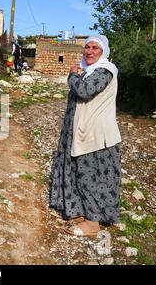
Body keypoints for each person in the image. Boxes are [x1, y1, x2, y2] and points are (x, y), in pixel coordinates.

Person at [50, 35, 122, 237]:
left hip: (97, 136)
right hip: (81, 133)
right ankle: (81, 211)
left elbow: (84, 91)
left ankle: (93, 222)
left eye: (95, 48)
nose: (89, 51)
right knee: (79, 173)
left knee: (91, 178)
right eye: (87, 47)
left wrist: (72, 75)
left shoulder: (105, 71)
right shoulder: (89, 72)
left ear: (103, 52)